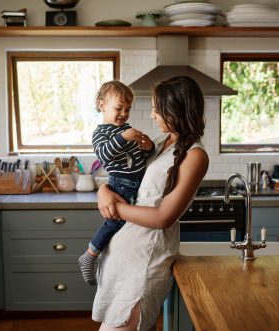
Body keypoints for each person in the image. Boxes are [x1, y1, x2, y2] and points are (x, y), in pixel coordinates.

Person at [92, 76, 209, 331]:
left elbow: (163, 217)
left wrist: (114, 206)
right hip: (121, 257)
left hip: (143, 262)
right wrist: (104, 189)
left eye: (157, 108)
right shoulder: (159, 142)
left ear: (175, 109)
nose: (152, 114)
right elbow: (126, 175)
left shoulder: (195, 155)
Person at [78, 80, 155, 286]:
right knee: (116, 221)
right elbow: (105, 154)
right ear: (102, 105)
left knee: (128, 227)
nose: (124, 113)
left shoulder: (127, 128)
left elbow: (143, 155)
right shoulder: (100, 133)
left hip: (135, 182)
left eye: (127, 109)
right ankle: (90, 254)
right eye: (118, 108)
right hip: (121, 183)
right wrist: (123, 137)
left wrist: (148, 146)